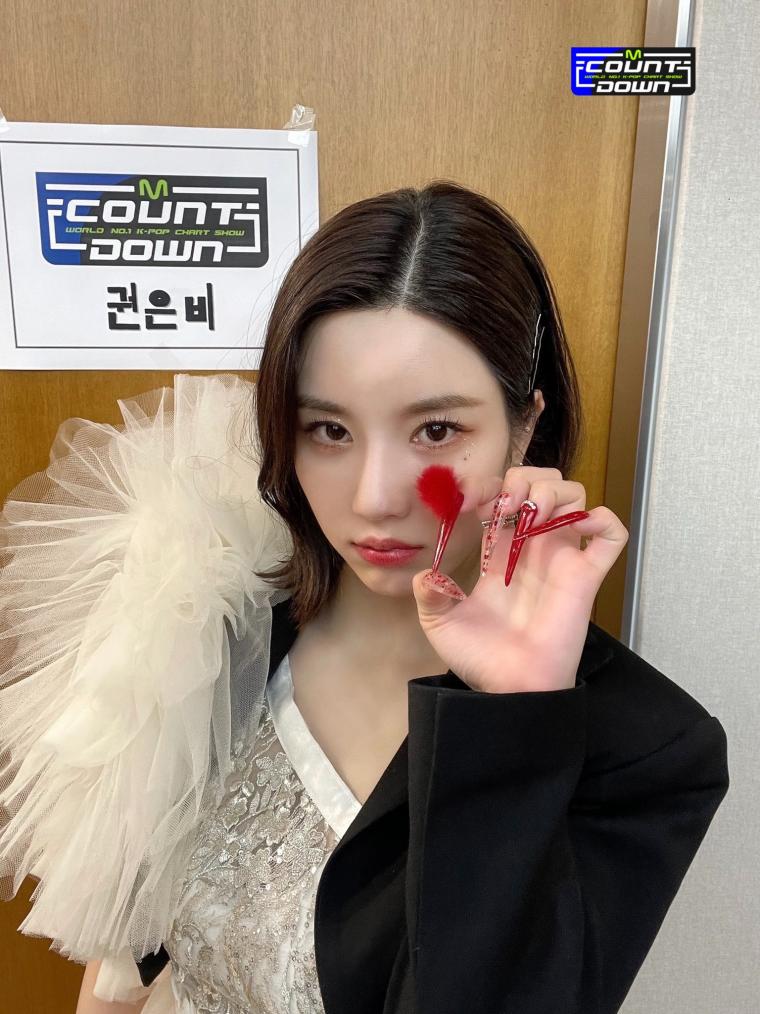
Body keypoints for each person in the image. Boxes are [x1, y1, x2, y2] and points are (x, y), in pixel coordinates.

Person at [0, 181, 729, 1014]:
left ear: (525, 426)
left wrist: (514, 717)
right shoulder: (212, 622)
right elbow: (121, 970)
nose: (375, 497)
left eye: (437, 430)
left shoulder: (647, 750)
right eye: (330, 431)